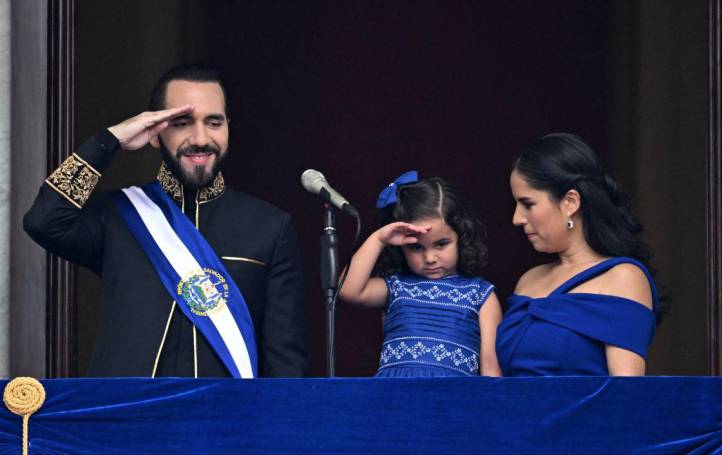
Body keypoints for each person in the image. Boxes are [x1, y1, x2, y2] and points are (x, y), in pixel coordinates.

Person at [24, 64, 308, 378]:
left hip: (227, 422)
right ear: (155, 132)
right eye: (181, 123)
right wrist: (108, 141)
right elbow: (43, 220)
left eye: (214, 122)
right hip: (131, 421)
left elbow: (286, 364)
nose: (200, 138)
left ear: (229, 127)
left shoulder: (269, 226)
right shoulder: (119, 215)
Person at [496, 133, 659, 376]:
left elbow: (627, 396)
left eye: (528, 204)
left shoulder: (624, 277)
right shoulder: (528, 280)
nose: (517, 218)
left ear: (570, 202)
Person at [339, 173, 502, 377]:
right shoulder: (396, 287)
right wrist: (379, 238)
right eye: (416, 247)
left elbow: (491, 370)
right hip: (392, 401)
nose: (430, 258)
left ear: (460, 236)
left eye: (441, 244)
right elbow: (347, 289)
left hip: (452, 402)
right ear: (401, 248)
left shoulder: (480, 294)